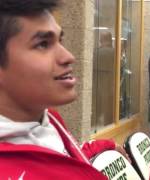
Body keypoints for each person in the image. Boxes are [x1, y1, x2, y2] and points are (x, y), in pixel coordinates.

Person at [0, 1, 128, 179]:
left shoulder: (49, 118)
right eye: (43, 44)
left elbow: (65, 156)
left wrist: (108, 145)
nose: (69, 57)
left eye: (60, 41)